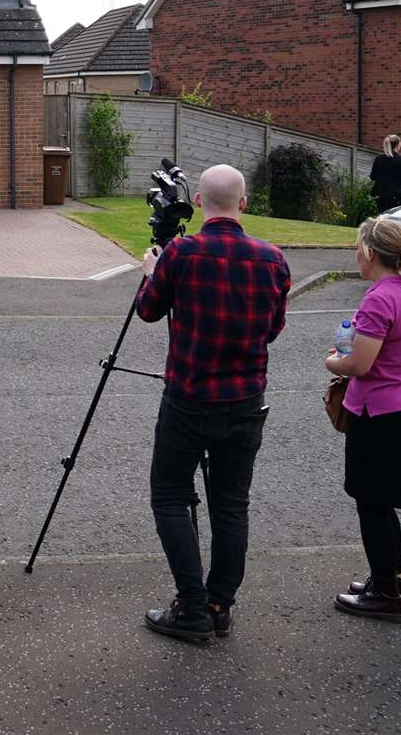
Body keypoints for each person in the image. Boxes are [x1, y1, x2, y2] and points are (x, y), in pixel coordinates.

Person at [134, 164, 290, 643]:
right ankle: (220, 603)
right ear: (243, 204)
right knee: (231, 505)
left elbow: (148, 310)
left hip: (189, 397)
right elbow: (273, 330)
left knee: (169, 495)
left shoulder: (182, 253)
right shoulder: (273, 259)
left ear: (199, 202)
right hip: (245, 399)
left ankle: (193, 607)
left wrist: (150, 272)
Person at [324, 217, 401, 625]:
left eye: (357, 247)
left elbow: (358, 363)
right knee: (383, 501)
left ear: (369, 253)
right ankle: (394, 581)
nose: (355, 254)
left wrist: (331, 360)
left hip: (381, 414)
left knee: (370, 502)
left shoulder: (379, 298)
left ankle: (386, 594)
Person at [370, 135, 401, 215]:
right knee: (395, 218)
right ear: (398, 145)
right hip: (396, 196)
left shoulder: (378, 159)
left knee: (383, 217)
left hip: (381, 195)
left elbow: (373, 177)